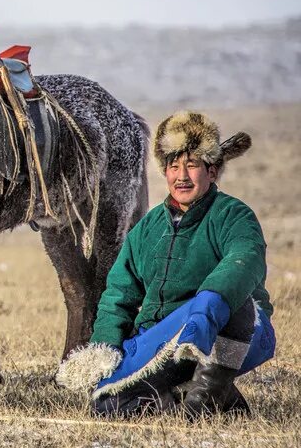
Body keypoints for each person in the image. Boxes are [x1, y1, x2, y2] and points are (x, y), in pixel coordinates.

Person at [56, 111, 275, 418]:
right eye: (174, 166)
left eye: (192, 165)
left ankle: (205, 399)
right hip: (164, 339)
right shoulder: (146, 229)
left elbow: (244, 262)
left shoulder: (234, 215)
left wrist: (203, 312)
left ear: (212, 171)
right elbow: (118, 296)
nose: (182, 176)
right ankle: (207, 398)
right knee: (107, 403)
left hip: (238, 329)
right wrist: (105, 350)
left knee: (223, 300)